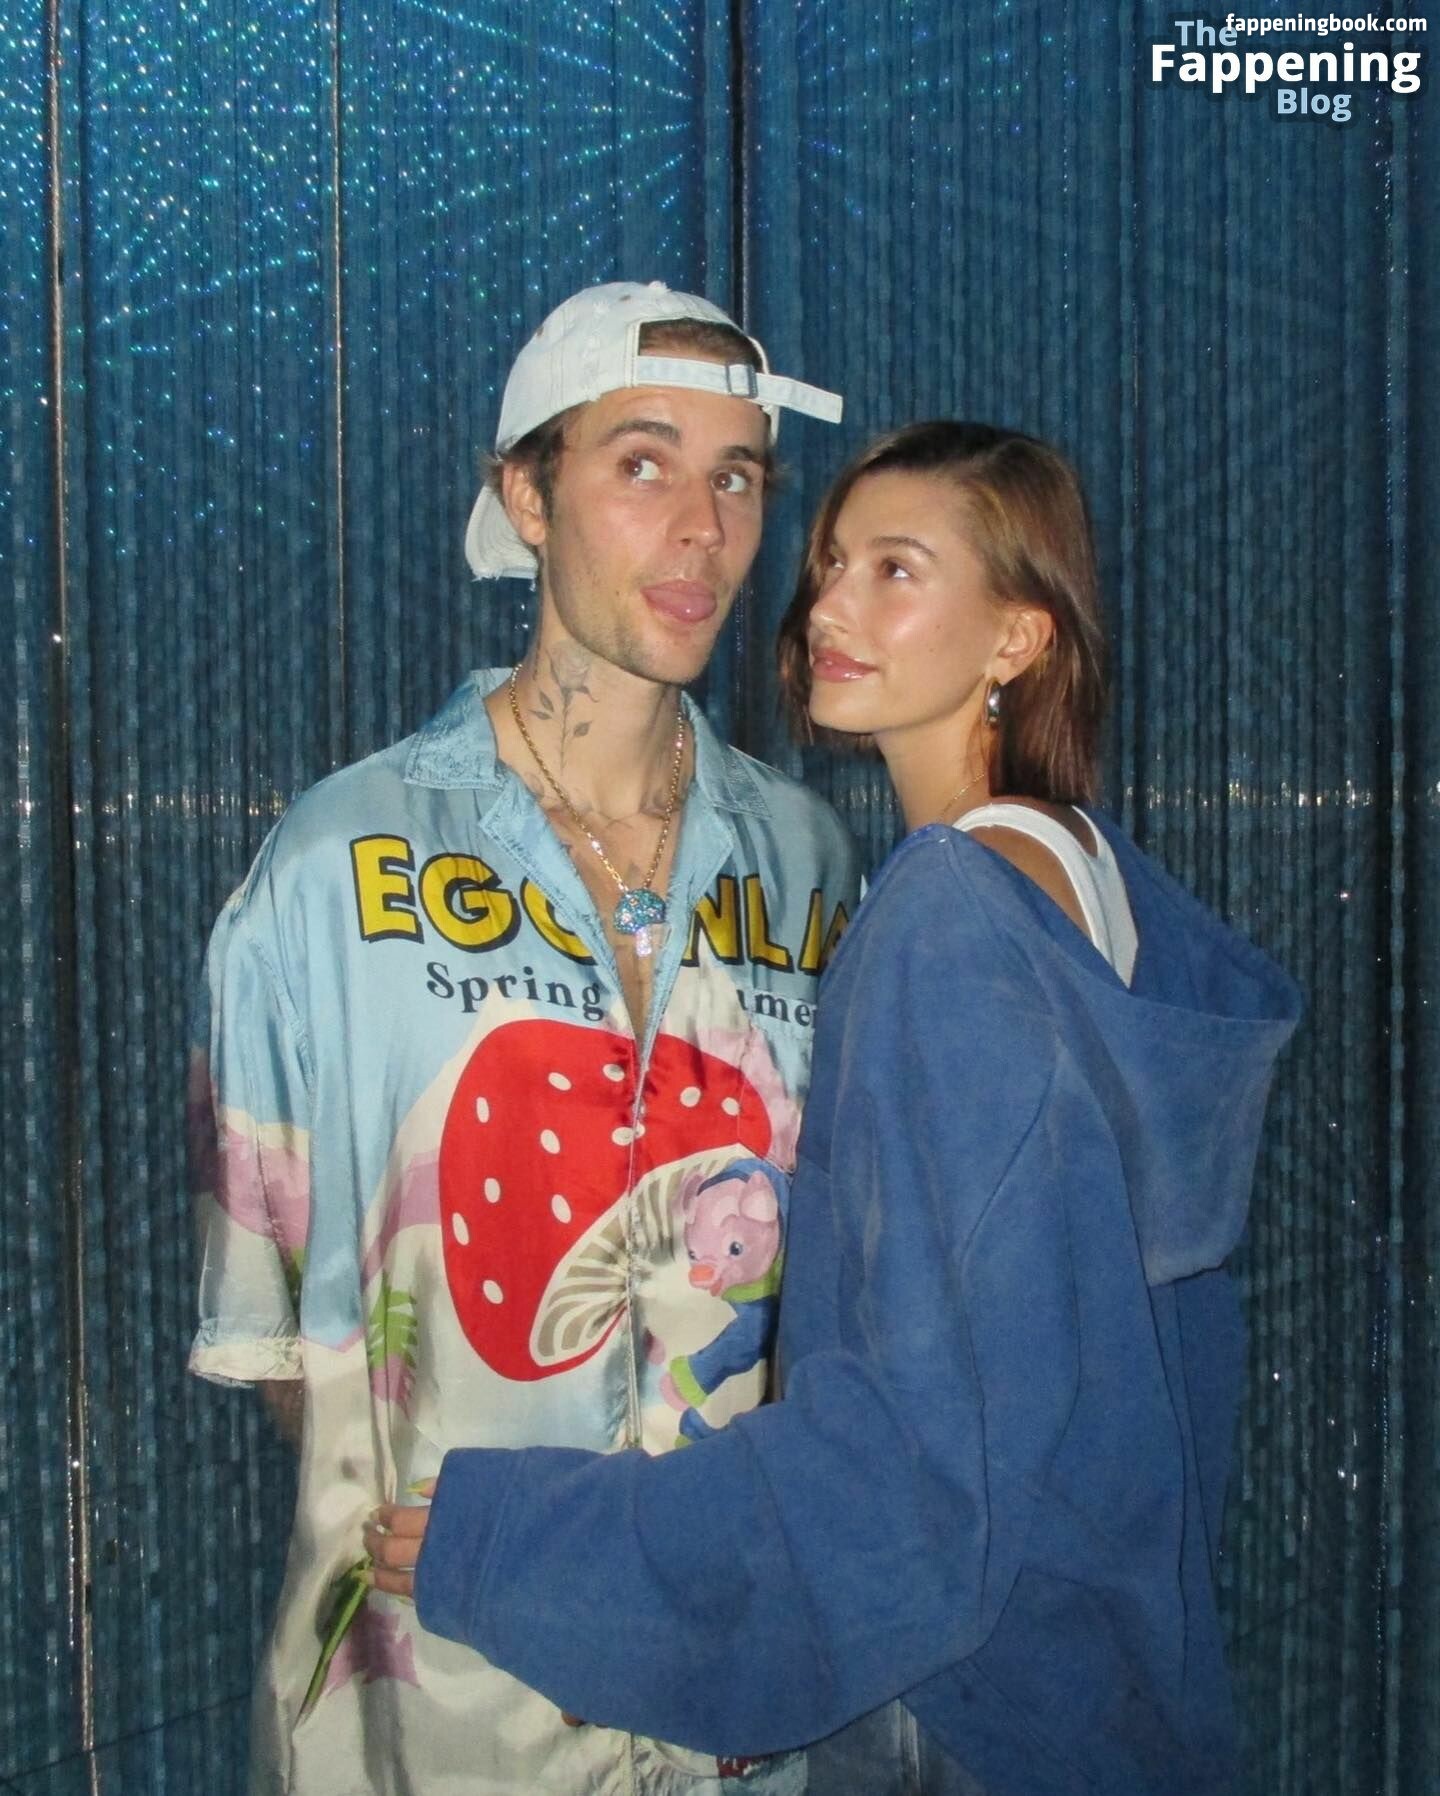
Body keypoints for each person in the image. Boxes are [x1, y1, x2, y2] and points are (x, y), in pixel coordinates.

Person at [369, 421, 1303, 1795]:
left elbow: (914, 1465)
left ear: (1016, 639)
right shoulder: (1089, 882)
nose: (829, 609)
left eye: (896, 571)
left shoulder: (949, 918)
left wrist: (521, 1543)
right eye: (831, 565)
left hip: (961, 1708)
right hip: (1099, 1672)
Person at [188, 279, 859, 1796]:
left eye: (737, 477)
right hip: (433, 1722)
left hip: (735, 1710)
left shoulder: (811, 865)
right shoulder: (334, 869)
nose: (701, 530)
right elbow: (285, 1344)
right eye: (641, 463)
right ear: (527, 496)